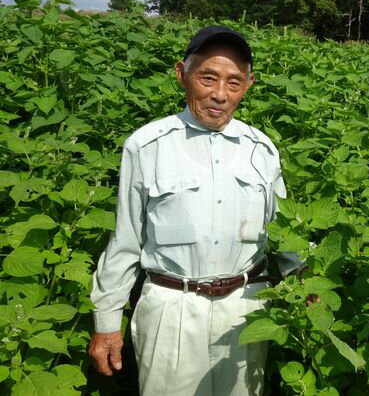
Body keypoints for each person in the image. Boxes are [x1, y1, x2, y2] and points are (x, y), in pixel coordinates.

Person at [89, 25, 289, 395]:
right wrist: (106, 321)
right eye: (207, 77)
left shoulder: (262, 150)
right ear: (182, 74)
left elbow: (284, 234)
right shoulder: (148, 146)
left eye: (233, 82)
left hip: (246, 309)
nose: (219, 94)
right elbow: (127, 241)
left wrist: (302, 285)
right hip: (171, 311)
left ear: (248, 85)